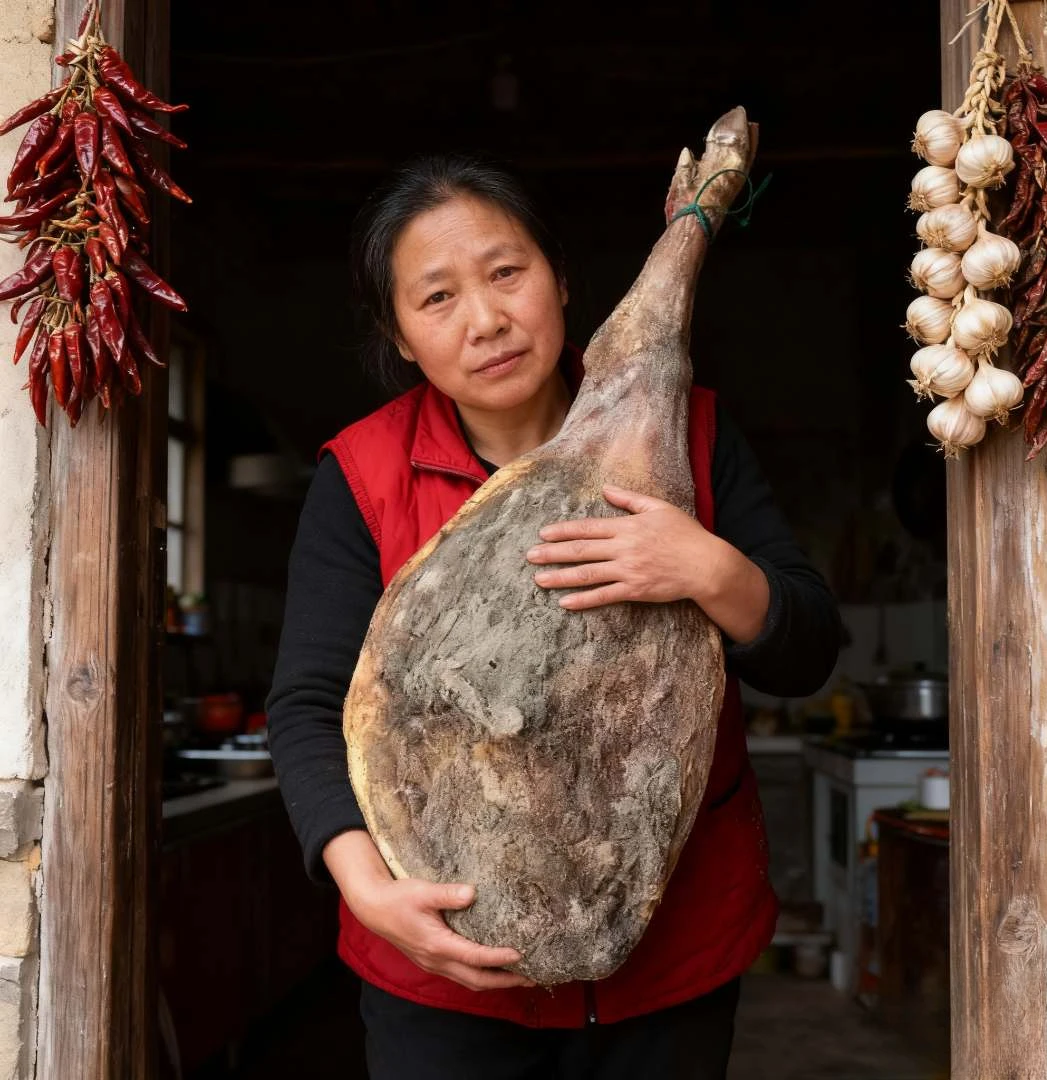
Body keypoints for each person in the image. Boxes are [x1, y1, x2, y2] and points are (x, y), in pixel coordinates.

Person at [266, 154, 840, 1080]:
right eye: (438, 297)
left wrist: (706, 566)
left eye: (506, 273)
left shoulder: (686, 433)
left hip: (672, 964)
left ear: (561, 278)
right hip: (443, 974)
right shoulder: (364, 474)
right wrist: (367, 887)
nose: (486, 320)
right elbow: (305, 706)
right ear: (402, 335)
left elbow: (807, 649)